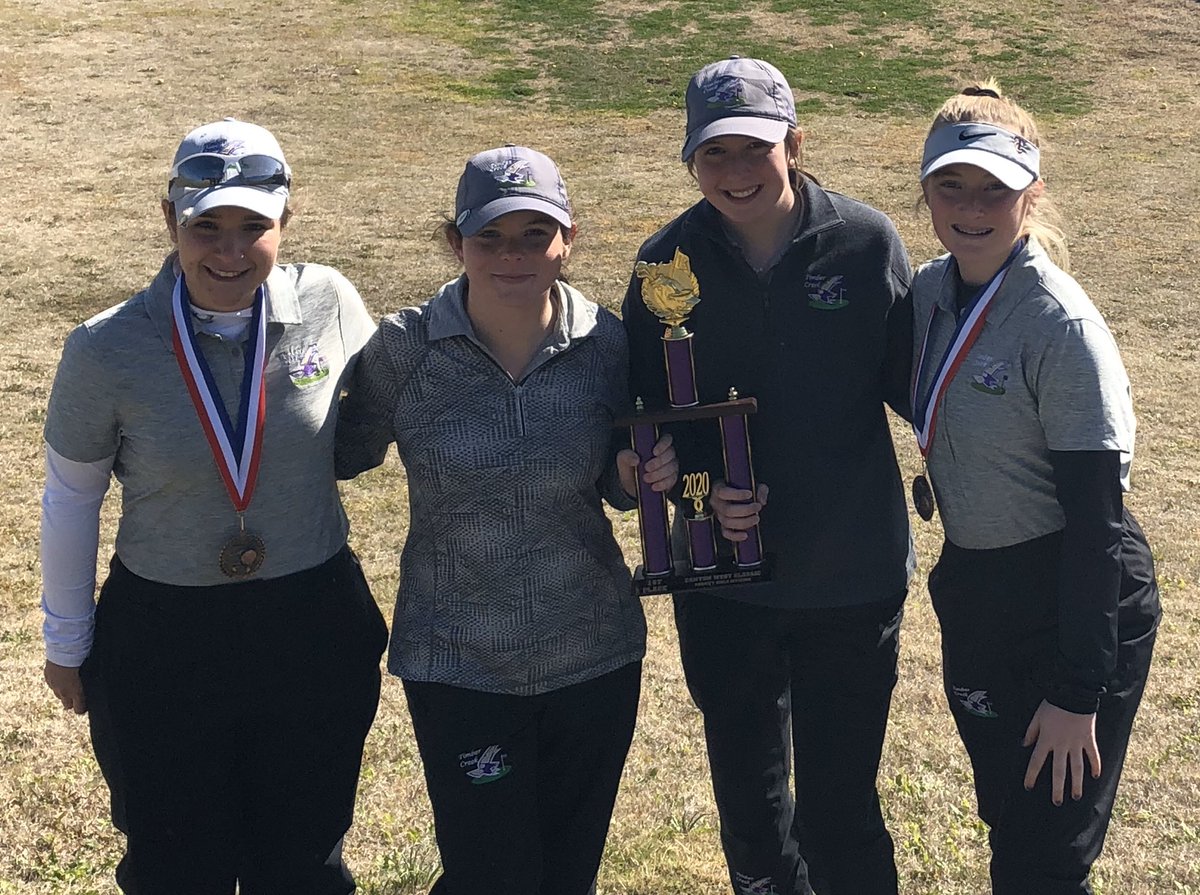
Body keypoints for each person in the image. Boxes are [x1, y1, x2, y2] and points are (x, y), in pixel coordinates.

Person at [40, 118, 388, 895]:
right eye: (207, 227)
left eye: (253, 227)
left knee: (304, 856)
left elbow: (380, 418)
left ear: (284, 224)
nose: (230, 252)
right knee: (173, 861)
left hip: (313, 619)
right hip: (164, 634)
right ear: (170, 221)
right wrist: (66, 639)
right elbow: (71, 496)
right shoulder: (107, 347)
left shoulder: (329, 302)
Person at [334, 145, 677, 895]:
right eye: (490, 236)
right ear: (455, 242)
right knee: (491, 873)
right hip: (459, 663)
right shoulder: (404, 349)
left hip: (593, 655)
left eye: (535, 234)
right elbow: (333, 452)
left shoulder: (607, 343)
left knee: (568, 873)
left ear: (570, 238)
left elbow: (623, 472)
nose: (512, 255)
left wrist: (632, 478)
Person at [622, 56, 913, 895]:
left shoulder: (864, 243)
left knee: (839, 813)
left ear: (794, 141)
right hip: (724, 586)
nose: (736, 172)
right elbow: (649, 422)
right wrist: (692, 492)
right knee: (752, 814)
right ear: (690, 158)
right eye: (715, 154)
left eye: (754, 148)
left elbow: (917, 394)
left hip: (848, 580)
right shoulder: (663, 264)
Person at [908, 82, 1161, 894]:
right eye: (952, 185)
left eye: (996, 189)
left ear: (1032, 194)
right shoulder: (925, 295)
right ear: (925, 191)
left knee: (1045, 859)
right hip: (979, 591)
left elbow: (1096, 523)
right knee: (1010, 824)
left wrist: (1075, 688)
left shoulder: (1062, 326)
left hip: (1072, 600)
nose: (972, 207)